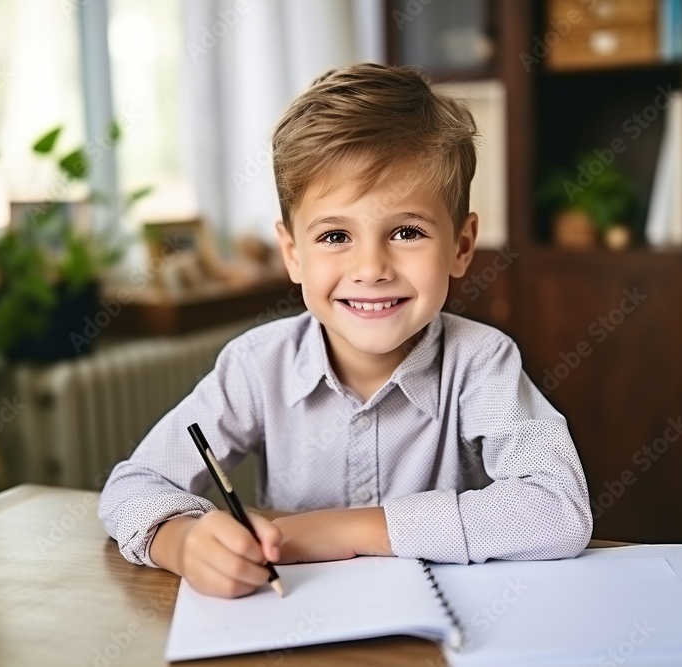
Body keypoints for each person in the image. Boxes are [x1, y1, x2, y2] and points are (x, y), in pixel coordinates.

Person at [99, 63, 592, 598]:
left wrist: (344, 530)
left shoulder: (482, 362)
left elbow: (559, 507)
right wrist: (182, 541)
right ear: (293, 253)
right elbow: (132, 486)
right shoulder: (255, 366)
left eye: (406, 231)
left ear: (461, 246)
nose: (371, 267)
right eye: (335, 235)